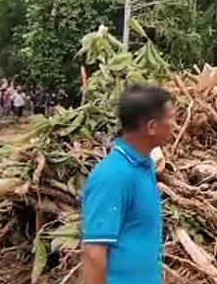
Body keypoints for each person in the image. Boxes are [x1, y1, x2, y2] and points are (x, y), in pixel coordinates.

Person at [81, 84, 174, 284]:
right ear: (152, 127)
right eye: (170, 118)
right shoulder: (113, 176)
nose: (174, 124)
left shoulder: (144, 165)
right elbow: (94, 254)